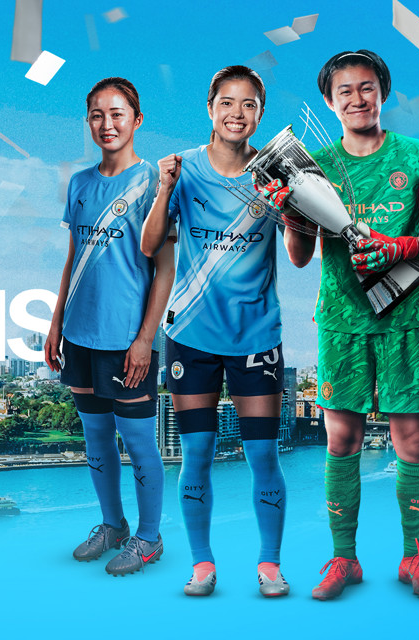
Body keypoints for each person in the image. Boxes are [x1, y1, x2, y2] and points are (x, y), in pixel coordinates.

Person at [279, 50, 419, 600]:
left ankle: (414, 559)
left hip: (408, 320)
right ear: (329, 101)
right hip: (342, 322)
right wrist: (291, 212)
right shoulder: (314, 166)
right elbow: (299, 257)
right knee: (341, 441)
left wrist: (396, 247)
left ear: (383, 92)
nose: (357, 99)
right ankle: (344, 560)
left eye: (367, 88)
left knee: (414, 442)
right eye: (345, 91)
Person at [141, 65, 290, 597]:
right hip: (191, 336)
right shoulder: (183, 169)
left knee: (263, 456)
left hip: (256, 337)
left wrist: (291, 205)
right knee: (197, 453)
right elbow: (149, 244)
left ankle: (270, 564)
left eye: (249, 104)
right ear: (210, 108)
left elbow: (300, 255)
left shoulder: (276, 173)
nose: (236, 113)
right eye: (227, 102)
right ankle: (202, 565)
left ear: (260, 114)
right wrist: (164, 188)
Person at [44, 77, 174, 577]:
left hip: (128, 340)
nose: (107, 124)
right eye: (97, 115)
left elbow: (165, 268)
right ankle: (112, 525)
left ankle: (149, 537)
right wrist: (55, 323)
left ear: (136, 120)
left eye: (117, 114)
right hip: (79, 335)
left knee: (138, 442)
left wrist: (145, 339)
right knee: (96, 438)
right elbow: (73, 257)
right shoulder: (79, 184)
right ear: (88, 122)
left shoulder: (155, 183)